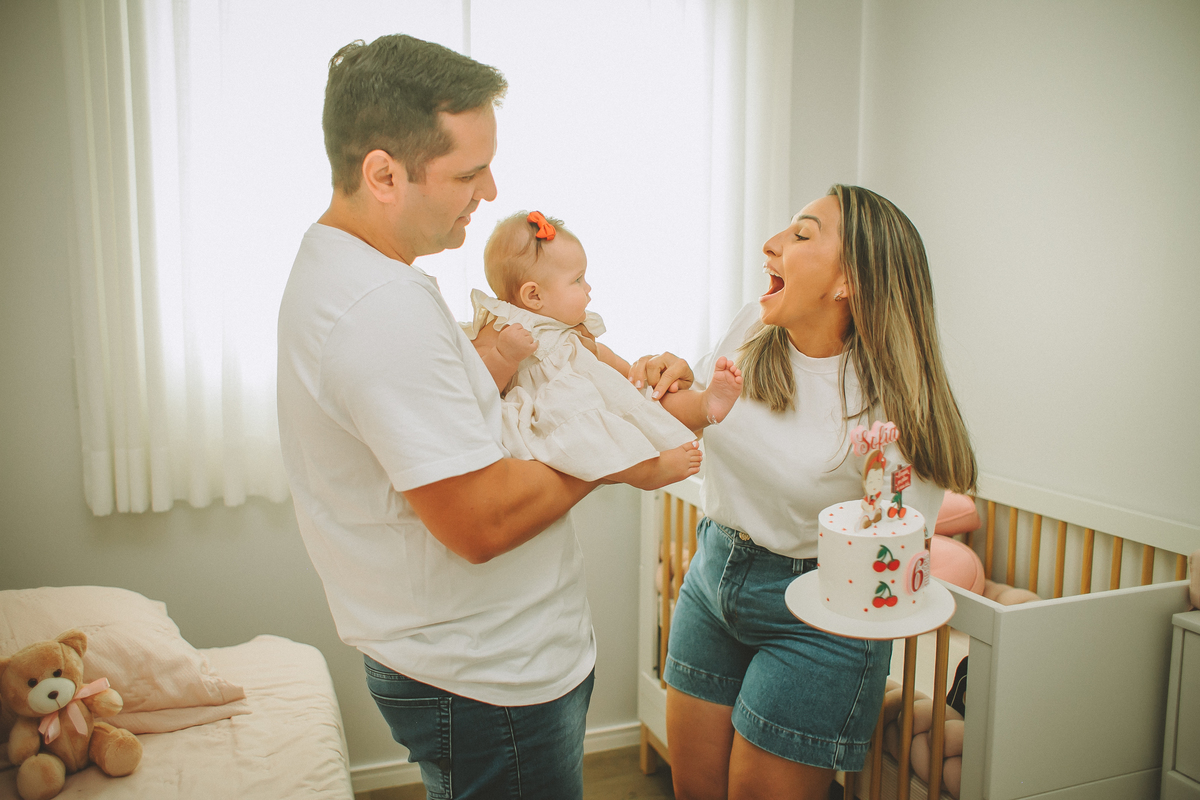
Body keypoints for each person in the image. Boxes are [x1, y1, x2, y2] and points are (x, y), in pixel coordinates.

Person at [276, 35, 677, 799]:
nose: (490, 192)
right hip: (490, 678)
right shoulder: (378, 309)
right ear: (383, 173)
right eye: (468, 172)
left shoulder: (352, 273)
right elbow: (481, 522)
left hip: (477, 660)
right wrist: (618, 438)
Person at [634, 184, 978, 800]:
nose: (770, 244)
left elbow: (894, 548)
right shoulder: (752, 327)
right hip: (715, 573)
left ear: (849, 282)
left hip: (819, 610)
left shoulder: (891, 405)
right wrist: (671, 375)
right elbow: (699, 410)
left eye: (800, 234)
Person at [467, 209, 743, 489]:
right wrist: (505, 357)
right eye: (577, 280)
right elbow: (478, 391)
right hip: (559, 414)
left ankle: (706, 404)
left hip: (588, 397)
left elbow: (599, 355)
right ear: (534, 295)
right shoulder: (502, 326)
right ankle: (648, 473)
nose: (588, 288)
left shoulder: (568, 326)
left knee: (648, 398)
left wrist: (633, 378)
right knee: (593, 433)